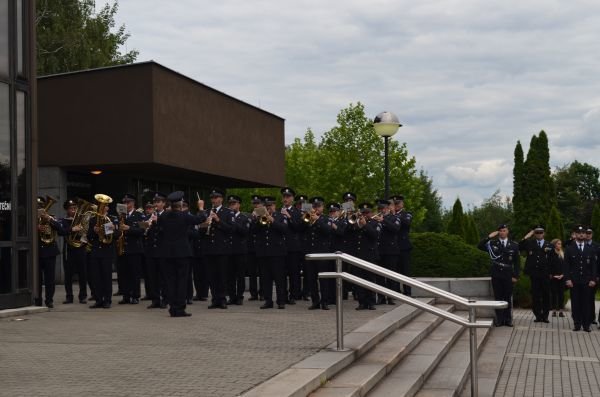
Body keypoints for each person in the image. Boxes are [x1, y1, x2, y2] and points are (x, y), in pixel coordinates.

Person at [158, 191, 207, 317]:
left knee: (170, 281)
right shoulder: (184, 216)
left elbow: (160, 231)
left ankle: (172, 308)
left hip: (167, 254)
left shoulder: (163, 216)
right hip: (182, 253)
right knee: (181, 281)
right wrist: (201, 208)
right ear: (180, 204)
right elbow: (200, 219)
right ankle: (179, 308)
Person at [478, 224, 520, 327]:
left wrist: (516, 276)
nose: (502, 232)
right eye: (500, 231)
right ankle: (500, 320)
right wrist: (489, 237)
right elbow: (479, 246)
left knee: (507, 297)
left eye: (504, 230)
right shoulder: (492, 243)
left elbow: (517, 262)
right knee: (498, 297)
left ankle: (508, 320)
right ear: (498, 232)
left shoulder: (514, 245)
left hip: (508, 274)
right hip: (496, 274)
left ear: (507, 232)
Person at [203, 188, 235, 309]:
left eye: (216, 198)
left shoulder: (227, 212)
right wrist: (205, 224)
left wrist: (218, 220)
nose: (214, 200)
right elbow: (200, 230)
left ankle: (222, 299)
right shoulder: (207, 212)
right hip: (209, 248)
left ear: (221, 199)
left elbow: (231, 229)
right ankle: (215, 298)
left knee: (222, 275)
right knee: (211, 275)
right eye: (212, 198)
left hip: (222, 249)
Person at [254, 196, 288, 309]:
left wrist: (272, 220)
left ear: (275, 206)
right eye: (267, 206)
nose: (269, 208)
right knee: (265, 278)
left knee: (279, 278)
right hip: (263, 252)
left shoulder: (280, 216)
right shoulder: (260, 217)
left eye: (271, 206)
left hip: (277, 252)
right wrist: (258, 219)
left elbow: (284, 229)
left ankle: (281, 301)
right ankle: (268, 300)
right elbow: (254, 230)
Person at [565, 225, 597, 332]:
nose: (581, 234)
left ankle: (586, 325)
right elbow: (566, 266)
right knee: (575, 303)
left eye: (583, 232)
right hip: (574, 281)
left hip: (587, 281)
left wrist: (593, 279)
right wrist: (568, 279)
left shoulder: (590, 249)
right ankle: (577, 324)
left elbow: (594, 266)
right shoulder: (570, 249)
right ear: (575, 234)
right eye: (579, 233)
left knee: (586, 303)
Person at [87, 197, 117, 309]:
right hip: (95, 251)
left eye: (105, 206)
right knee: (96, 277)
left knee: (106, 277)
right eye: (101, 206)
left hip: (107, 252)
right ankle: (98, 300)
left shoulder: (112, 219)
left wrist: (109, 229)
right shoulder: (93, 220)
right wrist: (94, 231)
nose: (104, 208)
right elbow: (89, 236)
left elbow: (116, 235)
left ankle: (107, 300)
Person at [37, 196, 67, 308]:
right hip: (37, 252)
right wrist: (36, 228)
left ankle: (49, 300)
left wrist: (49, 220)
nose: (39, 208)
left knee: (50, 278)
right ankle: (37, 299)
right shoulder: (31, 220)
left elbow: (62, 231)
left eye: (41, 206)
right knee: (37, 279)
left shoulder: (52, 218)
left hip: (50, 251)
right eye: (37, 206)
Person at [303, 196, 333, 310]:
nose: (316, 208)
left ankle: (325, 301)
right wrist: (306, 218)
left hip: (322, 253)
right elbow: (300, 229)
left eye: (318, 206)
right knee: (311, 278)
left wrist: (317, 220)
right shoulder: (307, 218)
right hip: (310, 253)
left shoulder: (326, 219)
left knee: (323, 278)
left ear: (322, 207)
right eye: (314, 206)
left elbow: (328, 231)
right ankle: (315, 301)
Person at [519, 224, 552, 323]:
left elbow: (552, 260)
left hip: (546, 274)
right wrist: (527, 236)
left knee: (546, 295)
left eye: (540, 232)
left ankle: (545, 315)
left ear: (544, 233)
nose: (539, 234)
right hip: (534, 274)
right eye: (536, 232)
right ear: (534, 234)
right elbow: (519, 246)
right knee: (536, 295)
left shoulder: (549, 244)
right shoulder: (530, 243)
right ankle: (538, 315)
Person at [116, 194, 145, 305]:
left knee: (134, 274)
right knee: (124, 274)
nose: (126, 205)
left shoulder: (139, 215)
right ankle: (126, 296)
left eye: (128, 202)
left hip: (134, 249)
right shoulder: (120, 216)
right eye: (124, 202)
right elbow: (116, 231)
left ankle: (135, 296)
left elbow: (142, 231)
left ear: (133, 203)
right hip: (122, 249)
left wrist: (129, 228)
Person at [353, 202, 381, 310]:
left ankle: (371, 302)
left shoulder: (375, 223)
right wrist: (358, 223)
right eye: (363, 213)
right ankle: (361, 302)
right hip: (358, 255)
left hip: (370, 255)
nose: (365, 215)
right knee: (359, 280)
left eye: (367, 213)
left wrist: (365, 225)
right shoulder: (356, 223)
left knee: (370, 279)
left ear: (371, 213)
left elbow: (375, 235)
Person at [59, 199, 88, 304]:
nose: (74, 210)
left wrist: (83, 232)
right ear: (67, 210)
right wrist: (72, 229)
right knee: (68, 275)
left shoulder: (81, 220)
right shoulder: (63, 220)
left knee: (82, 273)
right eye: (71, 208)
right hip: (69, 250)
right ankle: (69, 296)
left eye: (75, 208)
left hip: (80, 248)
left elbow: (86, 232)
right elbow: (61, 232)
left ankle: (83, 296)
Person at [143, 192, 168, 309]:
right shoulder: (150, 216)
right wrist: (147, 225)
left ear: (164, 203)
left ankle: (165, 299)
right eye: (155, 202)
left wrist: (157, 222)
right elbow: (144, 232)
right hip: (151, 251)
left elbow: (168, 231)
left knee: (163, 277)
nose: (156, 204)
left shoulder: (167, 215)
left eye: (158, 202)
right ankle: (155, 299)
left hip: (163, 251)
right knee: (153, 277)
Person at [280, 187, 304, 304]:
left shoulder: (297, 212)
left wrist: (288, 217)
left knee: (294, 272)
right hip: (280, 246)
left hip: (293, 247)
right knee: (281, 273)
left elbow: (298, 228)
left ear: (292, 199)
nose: (285, 199)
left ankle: (294, 295)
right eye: (284, 197)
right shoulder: (278, 211)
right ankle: (283, 296)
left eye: (288, 197)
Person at [375, 199, 401, 305]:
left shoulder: (395, 218)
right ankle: (381, 297)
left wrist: (383, 221)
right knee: (379, 276)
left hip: (391, 251)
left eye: (384, 208)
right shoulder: (376, 219)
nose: (382, 210)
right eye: (380, 209)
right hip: (379, 250)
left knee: (390, 275)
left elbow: (395, 229)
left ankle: (391, 297)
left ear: (388, 209)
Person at [227, 195, 250, 305]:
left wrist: (234, 223)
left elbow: (245, 232)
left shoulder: (243, 218)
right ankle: (231, 296)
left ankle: (240, 296)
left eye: (234, 203)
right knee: (230, 275)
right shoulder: (226, 217)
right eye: (230, 204)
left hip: (240, 250)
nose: (232, 206)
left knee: (240, 275)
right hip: (229, 250)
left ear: (239, 205)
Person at [392, 195, 413, 296]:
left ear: (402, 204)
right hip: (392, 246)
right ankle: (396, 291)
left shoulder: (406, 214)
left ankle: (407, 291)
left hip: (403, 246)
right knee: (394, 270)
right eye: (394, 204)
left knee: (405, 270)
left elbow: (407, 223)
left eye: (397, 204)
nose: (396, 206)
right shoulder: (390, 215)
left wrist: (396, 215)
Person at [548, 238, 565, 318]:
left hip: (562, 277)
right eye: (558, 244)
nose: (560, 245)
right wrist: (553, 275)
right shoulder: (551, 253)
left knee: (561, 294)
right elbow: (549, 265)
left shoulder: (562, 254)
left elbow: (565, 266)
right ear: (554, 245)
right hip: (554, 277)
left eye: (560, 244)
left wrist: (563, 274)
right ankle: (554, 310)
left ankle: (561, 311)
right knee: (554, 294)